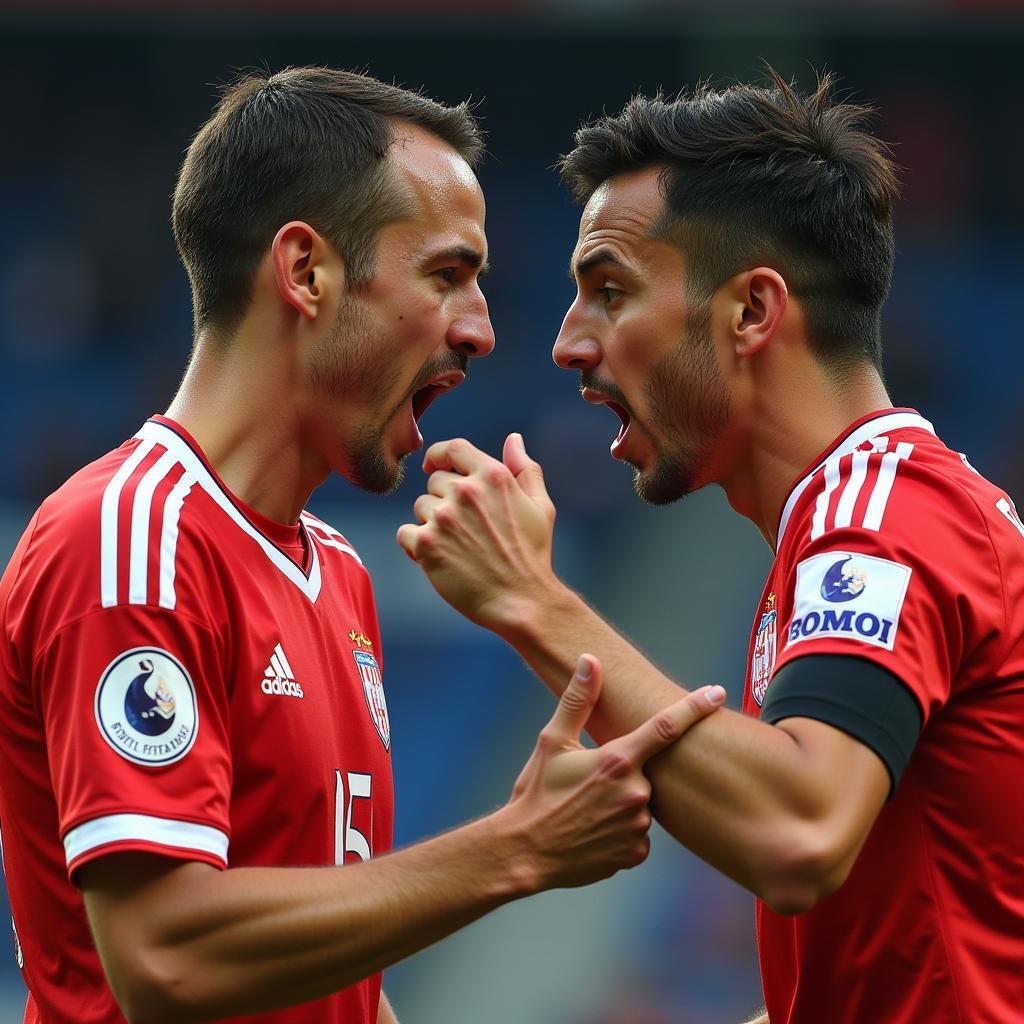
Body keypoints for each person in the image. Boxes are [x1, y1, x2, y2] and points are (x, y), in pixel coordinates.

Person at [0, 67, 727, 1024]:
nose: (482, 330)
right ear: (306, 271)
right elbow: (163, 956)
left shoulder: (335, 573)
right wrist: (516, 849)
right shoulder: (131, 540)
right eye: (447, 274)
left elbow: (338, 995)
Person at [398, 68, 1024, 1024]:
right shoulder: (854, 524)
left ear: (752, 312)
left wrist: (532, 600)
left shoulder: (885, 514)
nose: (569, 342)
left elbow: (799, 830)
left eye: (610, 290)